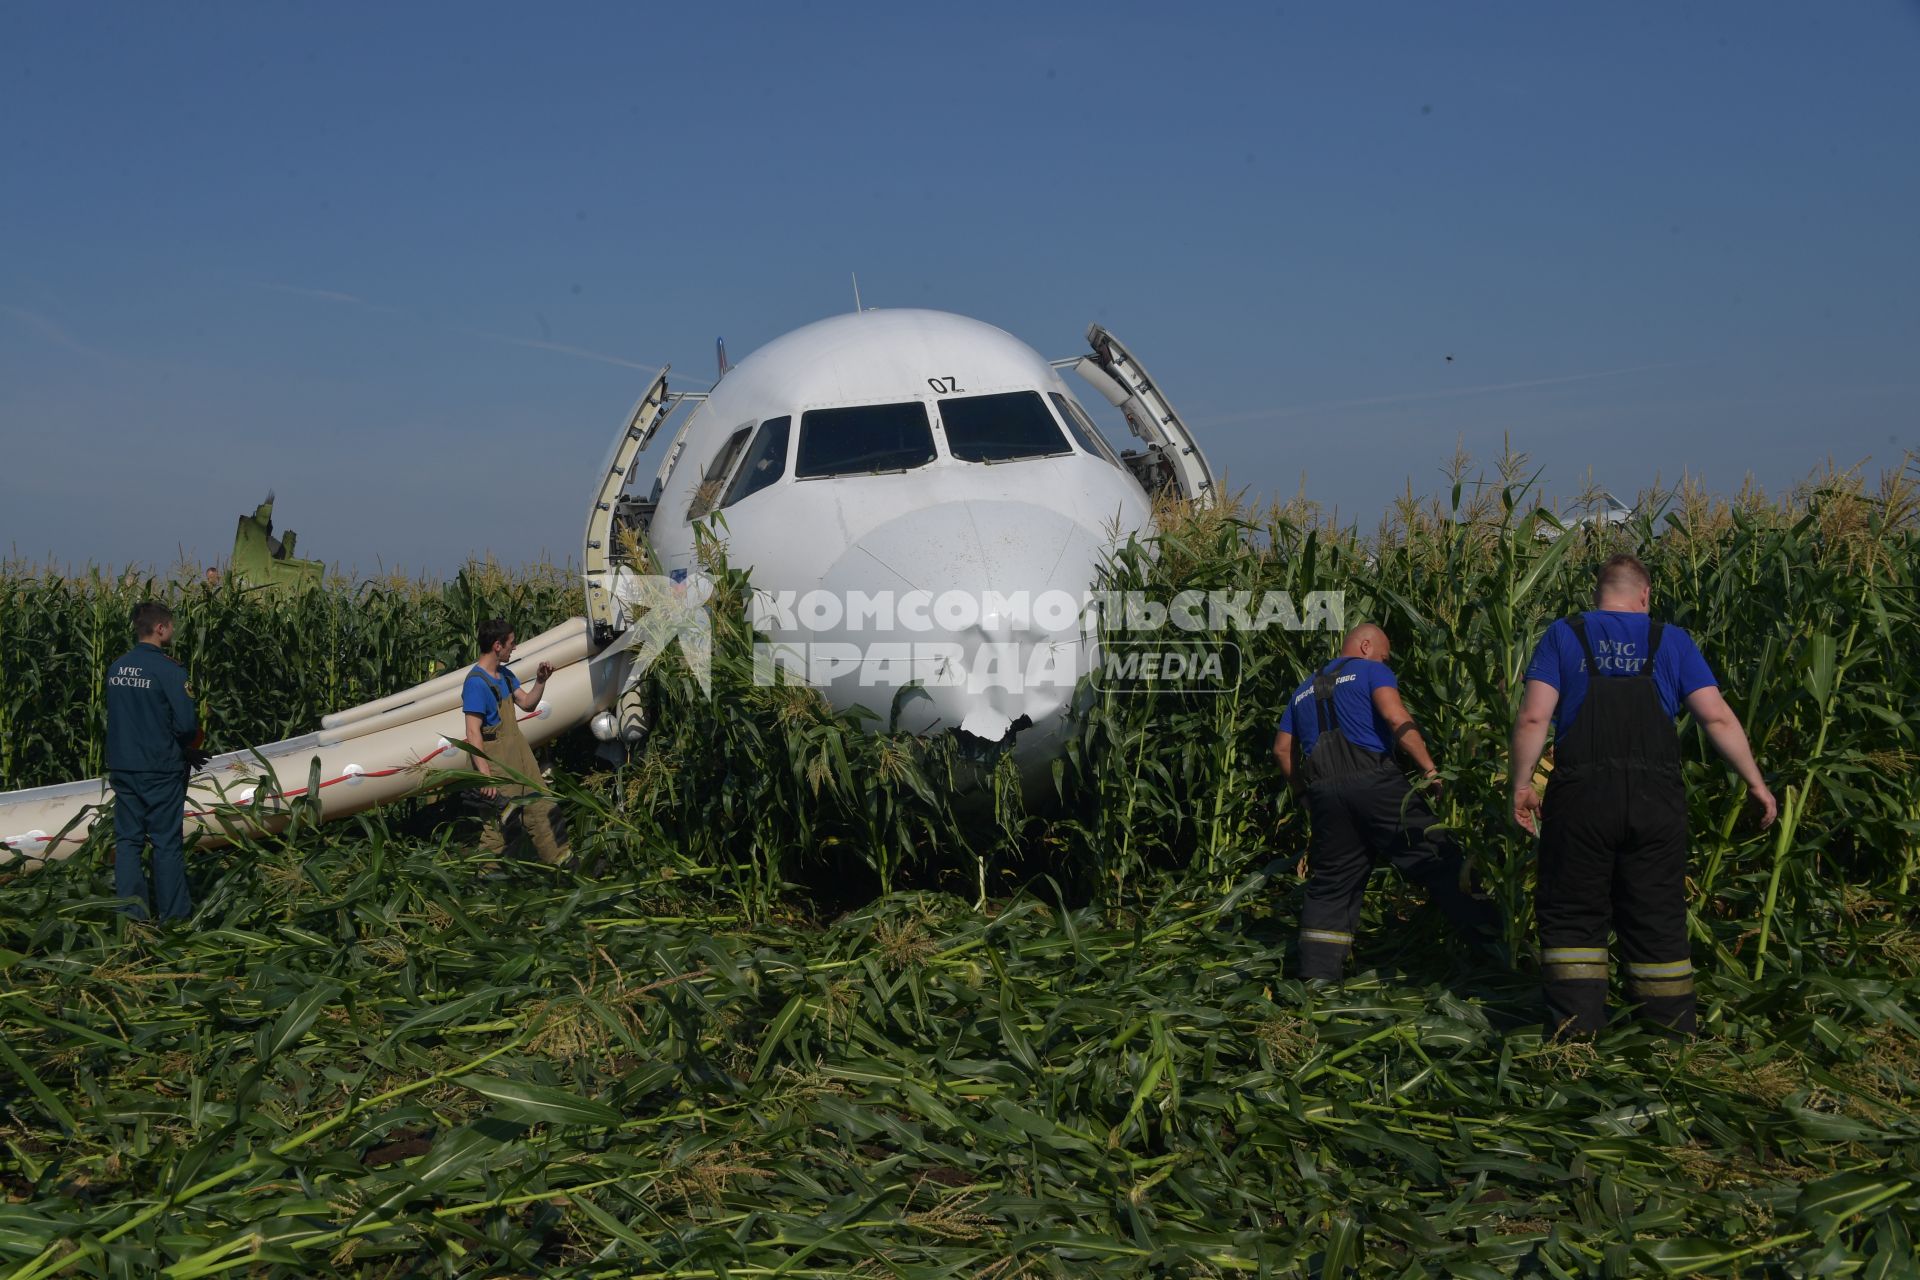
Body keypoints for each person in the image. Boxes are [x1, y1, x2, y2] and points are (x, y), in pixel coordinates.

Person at [1511, 553, 1777, 1037]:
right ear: (1645, 594)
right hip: (1657, 800)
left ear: (1598, 594)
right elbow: (1715, 716)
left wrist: (1522, 784)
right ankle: (1670, 1036)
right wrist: (1756, 783)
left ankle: (1577, 1036)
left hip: (1582, 798)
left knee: (1574, 912)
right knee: (1656, 911)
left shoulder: (1564, 635)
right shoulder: (1670, 640)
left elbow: (1534, 717)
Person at [1274, 622, 1497, 979]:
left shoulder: (1302, 690)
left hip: (1325, 793)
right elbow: (1396, 718)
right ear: (1365, 646)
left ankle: (1317, 980)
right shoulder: (1371, 671)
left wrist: (1302, 792)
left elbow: (1282, 749)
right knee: (1440, 858)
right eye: (1384, 654)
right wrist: (1429, 769)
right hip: (1375, 781)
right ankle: (1494, 951)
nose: (1385, 660)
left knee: (1333, 882)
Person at [105, 601, 204, 921]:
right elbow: (187, 724)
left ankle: (132, 920)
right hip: (160, 768)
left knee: (128, 842)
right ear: (160, 628)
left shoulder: (117, 667)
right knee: (165, 842)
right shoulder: (169, 669)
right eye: (171, 626)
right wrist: (185, 746)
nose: (173, 631)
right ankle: (174, 919)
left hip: (123, 765)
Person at [462, 617, 568, 865]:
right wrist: (486, 776)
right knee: (502, 827)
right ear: (498, 645)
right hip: (497, 764)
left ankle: (564, 868)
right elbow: (473, 733)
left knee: (542, 809)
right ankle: (485, 889)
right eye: (511, 642)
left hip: (519, 757)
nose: (515, 647)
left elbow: (528, 703)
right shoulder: (476, 684)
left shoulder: (505, 676)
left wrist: (541, 680)